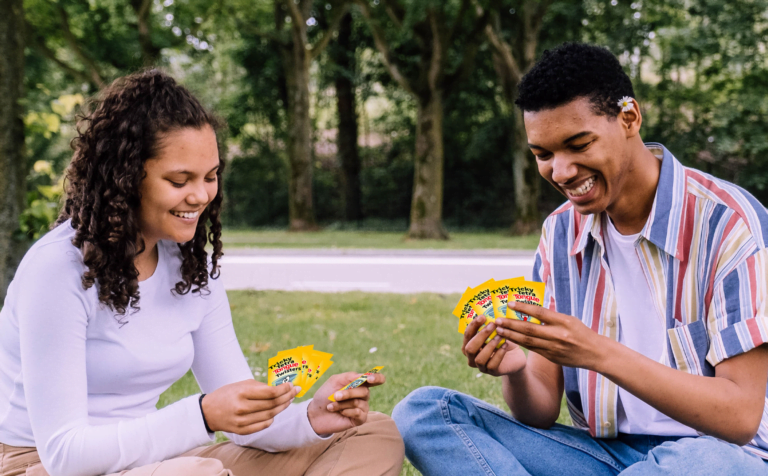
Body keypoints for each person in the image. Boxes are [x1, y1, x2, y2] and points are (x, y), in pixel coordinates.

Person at [0, 70, 404, 476]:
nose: (200, 196)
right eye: (180, 180)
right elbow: (66, 456)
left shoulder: (188, 267)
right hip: (38, 466)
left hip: (153, 463)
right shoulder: (58, 269)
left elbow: (245, 418)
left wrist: (312, 418)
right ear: (124, 179)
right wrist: (202, 416)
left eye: (210, 177)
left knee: (372, 433)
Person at [393, 42, 768, 475]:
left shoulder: (727, 223)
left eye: (578, 144)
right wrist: (516, 371)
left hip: (718, 456)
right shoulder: (560, 232)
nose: (562, 171)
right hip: (603, 456)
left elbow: (740, 417)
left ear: (629, 118)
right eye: (543, 154)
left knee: (704, 463)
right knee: (424, 413)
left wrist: (597, 353)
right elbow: (539, 410)